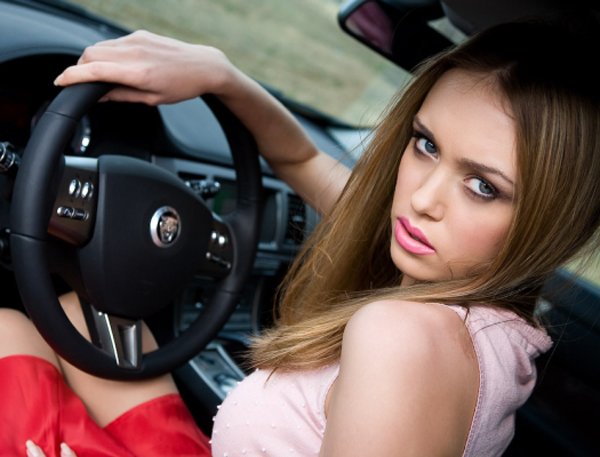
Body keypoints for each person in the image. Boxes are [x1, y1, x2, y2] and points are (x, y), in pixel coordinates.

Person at [2, 15, 599, 457]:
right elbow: (303, 159)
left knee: (7, 329)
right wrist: (220, 76)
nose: (423, 199)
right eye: (425, 145)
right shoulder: (497, 326)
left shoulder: (403, 338)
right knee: (78, 315)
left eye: (483, 186)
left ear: (555, 221)